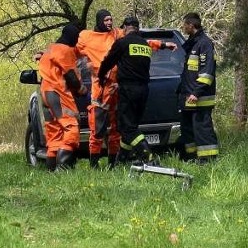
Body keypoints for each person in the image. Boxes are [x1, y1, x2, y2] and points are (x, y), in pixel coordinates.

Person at [98, 16, 176, 165]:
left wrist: (101, 76)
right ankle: (121, 161)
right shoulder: (145, 45)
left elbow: (108, 62)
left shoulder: (122, 43)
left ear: (126, 28)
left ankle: (148, 157)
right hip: (143, 90)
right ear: (137, 28)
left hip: (128, 90)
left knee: (125, 128)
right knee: (132, 126)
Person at [76, 9, 123, 169]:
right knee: (97, 130)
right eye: (106, 20)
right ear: (99, 21)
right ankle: (94, 164)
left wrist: (162, 45)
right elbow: (69, 51)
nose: (109, 22)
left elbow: (137, 42)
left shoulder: (117, 34)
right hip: (100, 92)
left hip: (116, 90)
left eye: (111, 19)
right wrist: (46, 54)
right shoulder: (87, 37)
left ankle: (113, 163)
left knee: (116, 131)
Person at [39, 23, 86, 171]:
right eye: (77, 37)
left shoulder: (51, 48)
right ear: (72, 36)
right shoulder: (65, 50)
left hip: (45, 93)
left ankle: (51, 169)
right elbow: (70, 75)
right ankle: (63, 168)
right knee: (71, 127)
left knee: (55, 133)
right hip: (58, 93)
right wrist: (80, 88)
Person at [177, 12, 219, 163]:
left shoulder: (205, 43)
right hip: (188, 96)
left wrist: (196, 92)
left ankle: (208, 159)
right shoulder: (193, 43)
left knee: (202, 128)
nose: (183, 28)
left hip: (200, 97)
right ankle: (191, 157)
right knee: (187, 128)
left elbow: (207, 72)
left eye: (185, 25)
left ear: (191, 25)